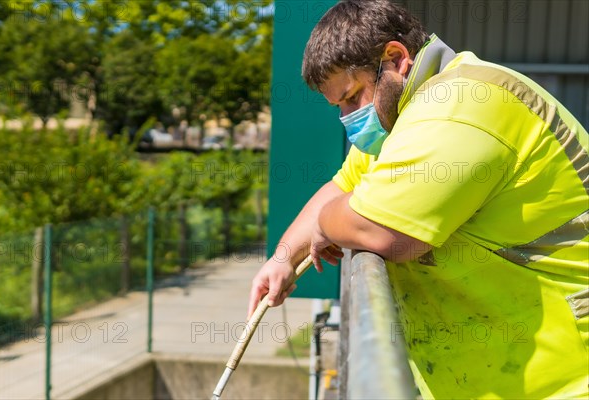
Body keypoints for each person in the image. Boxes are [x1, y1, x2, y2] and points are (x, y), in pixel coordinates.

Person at [248, 0, 588, 398]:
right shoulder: (405, 115)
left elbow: (385, 232)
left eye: (353, 96)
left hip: (562, 376)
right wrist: (283, 258)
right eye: (338, 105)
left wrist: (326, 224)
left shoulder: (461, 106)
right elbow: (343, 186)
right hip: (490, 370)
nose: (347, 116)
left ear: (396, 57)